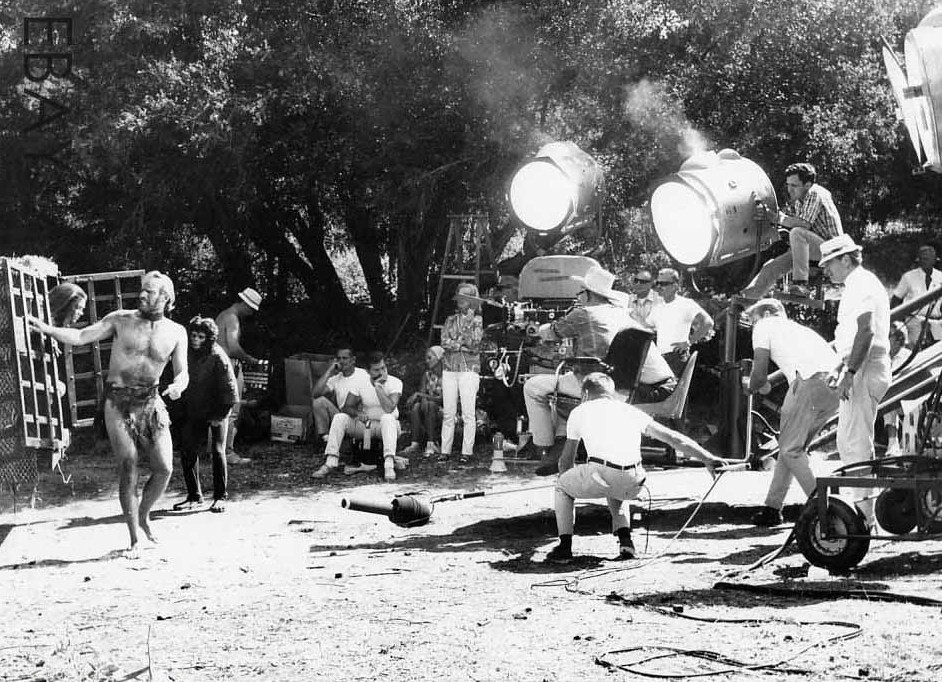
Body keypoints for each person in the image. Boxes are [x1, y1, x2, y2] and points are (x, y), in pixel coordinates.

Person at [28, 271, 188, 557]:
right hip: (117, 401)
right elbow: (80, 336)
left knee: (164, 469)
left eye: (149, 291)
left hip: (150, 402)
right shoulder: (120, 319)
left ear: (165, 297)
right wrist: (45, 328)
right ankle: (134, 538)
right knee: (129, 465)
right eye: (142, 289)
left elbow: (182, 371)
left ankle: (143, 514)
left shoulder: (177, 332)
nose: (142, 294)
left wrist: (179, 385)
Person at [545, 373, 728, 563]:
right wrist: (707, 458)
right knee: (615, 481)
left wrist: (570, 484)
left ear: (584, 394)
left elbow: (565, 462)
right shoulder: (630, 411)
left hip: (603, 474)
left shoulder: (579, 412)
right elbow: (674, 438)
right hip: (635, 479)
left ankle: (564, 547)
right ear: (611, 393)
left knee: (564, 486)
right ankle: (626, 542)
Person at [522, 265, 633, 475]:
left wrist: (539, 329)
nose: (578, 296)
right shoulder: (620, 313)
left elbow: (552, 333)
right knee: (563, 382)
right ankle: (563, 442)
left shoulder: (584, 313)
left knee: (533, 387)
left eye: (581, 292)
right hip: (618, 382)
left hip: (591, 382)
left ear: (589, 293)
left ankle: (545, 447)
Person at [741, 299, 840, 527]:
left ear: (767, 313)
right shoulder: (798, 329)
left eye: (753, 319)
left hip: (808, 382)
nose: (752, 325)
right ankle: (772, 508)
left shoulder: (764, 325)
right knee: (791, 447)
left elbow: (758, 377)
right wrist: (761, 384)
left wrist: (748, 385)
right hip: (834, 386)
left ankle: (826, 510)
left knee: (790, 449)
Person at [819, 234, 891, 527]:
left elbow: (866, 331)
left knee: (855, 441)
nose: (826, 270)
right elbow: (854, 336)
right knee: (849, 440)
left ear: (846, 259)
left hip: (865, 366)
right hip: (860, 364)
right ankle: (864, 511)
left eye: (829, 263)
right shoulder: (857, 284)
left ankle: (864, 519)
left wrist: (849, 372)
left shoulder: (861, 284)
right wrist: (842, 366)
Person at [742, 163, 843, 298]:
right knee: (770, 267)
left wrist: (775, 217)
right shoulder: (799, 201)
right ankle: (745, 300)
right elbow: (788, 223)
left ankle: (801, 284)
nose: (789, 190)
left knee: (797, 233)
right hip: (811, 249)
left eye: (794, 186)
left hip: (833, 251)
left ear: (808, 185)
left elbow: (803, 225)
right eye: (788, 185)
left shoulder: (815, 193)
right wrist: (767, 216)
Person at [172, 316, 238, 513]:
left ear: (208, 338)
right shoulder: (186, 353)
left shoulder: (218, 356)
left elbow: (230, 390)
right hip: (195, 408)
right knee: (188, 449)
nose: (195, 340)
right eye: (193, 335)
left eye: (200, 337)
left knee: (217, 451)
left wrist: (221, 415)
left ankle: (220, 497)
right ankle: (194, 496)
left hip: (218, 409)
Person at [313, 351, 403, 481]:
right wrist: (357, 413)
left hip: (389, 426)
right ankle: (330, 461)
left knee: (387, 418)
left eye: (383, 368)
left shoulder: (395, 382)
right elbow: (346, 407)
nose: (382, 373)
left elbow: (389, 408)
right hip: (367, 426)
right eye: (376, 370)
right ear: (368, 372)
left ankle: (389, 464)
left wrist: (378, 388)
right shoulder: (361, 383)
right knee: (340, 417)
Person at [215, 287, 263, 465]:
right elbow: (233, 347)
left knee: (218, 410)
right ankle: (227, 452)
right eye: (250, 309)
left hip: (217, 365)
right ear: (244, 304)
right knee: (232, 410)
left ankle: (215, 450)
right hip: (229, 366)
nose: (251, 313)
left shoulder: (222, 315)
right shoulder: (232, 318)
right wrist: (250, 359)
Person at [440, 282, 484, 465]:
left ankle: (467, 451)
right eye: (459, 297)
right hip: (449, 368)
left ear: (472, 301)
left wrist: (465, 328)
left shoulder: (477, 321)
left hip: (468, 369)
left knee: (468, 413)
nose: (461, 301)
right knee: (448, 412)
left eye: (465, 298)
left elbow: (474, 345)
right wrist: (460, 345)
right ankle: (445, 450)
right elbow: (444, 342)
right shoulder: (450, 320)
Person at [647, 268, 714, 376]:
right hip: (659, 359)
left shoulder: (686, 304)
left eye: (663, 284)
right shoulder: (657, 307)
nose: (659, 287)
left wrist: (689, 342)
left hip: (677, 356)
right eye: (658, 283)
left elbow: (708, 322)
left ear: (675, 286)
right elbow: (646, 326)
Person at [889, 244, 942, 349]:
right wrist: (897, 321)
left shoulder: (940, 277)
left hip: (936, 320)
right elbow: (896, 300)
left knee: (937, 350)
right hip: (914, 320)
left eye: (927, 258)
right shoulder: (909, 277)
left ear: (934, 260)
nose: (924, 261)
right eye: (922, 258)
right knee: (916, 348)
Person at [401, 345, 444, 457]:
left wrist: (421, 396)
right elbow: (422, 391)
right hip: (428, 406)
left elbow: (442, 398)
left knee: (430, 404)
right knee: (416, 407)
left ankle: (432, 443)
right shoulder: (427, 374)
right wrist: (423, 398)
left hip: (443, 408)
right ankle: (414, 443)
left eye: (430, 358)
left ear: (439, 358)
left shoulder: (447, 376)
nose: (427, 361)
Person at [883, 322, 912, 457]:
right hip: (892, 399)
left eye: (889, 335)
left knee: (891, 399)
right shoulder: (884, 357)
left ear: (899, 340)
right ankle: (892, 442)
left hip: (909, 397)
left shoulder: (908, 356)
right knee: (889, 400)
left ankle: (908, 442)